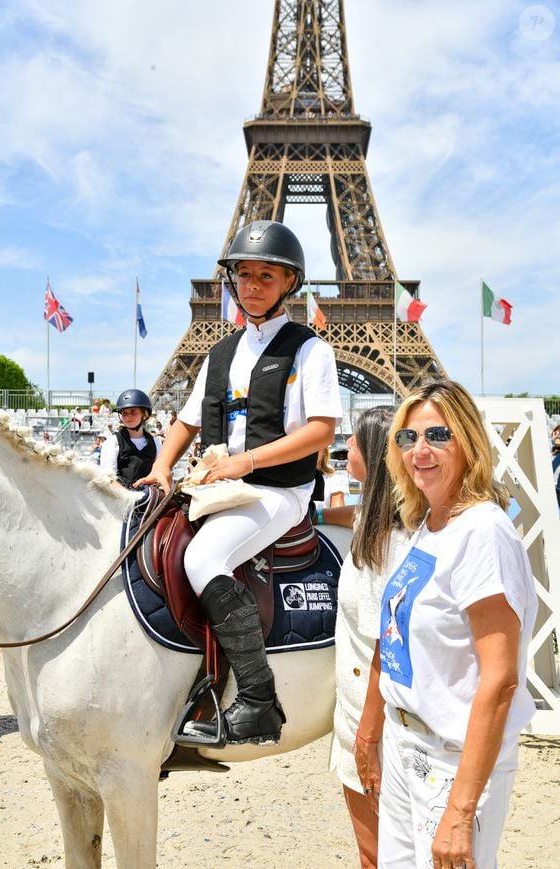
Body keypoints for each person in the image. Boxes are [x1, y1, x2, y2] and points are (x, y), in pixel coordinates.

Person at [136, 220, 342, 745]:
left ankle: (258, 699)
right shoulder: (220, 353)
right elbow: (186, 421)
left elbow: (321, 429)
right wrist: (161, 467)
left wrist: (245, 462)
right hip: (217, 486)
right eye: (244, 275)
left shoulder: (310, 350)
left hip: (278, 491)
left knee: (204, 558)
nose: (252, 285)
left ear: (289, 282)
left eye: (265, 276)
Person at [359, 379, 537, 869]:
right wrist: (373, 732)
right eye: (408, 438)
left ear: (469, 441)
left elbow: (500, 680)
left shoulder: (482, 532)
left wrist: (460, 811)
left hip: (451, 759)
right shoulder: (430, 523)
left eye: (438, 435)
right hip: (406, 745)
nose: (420, 450)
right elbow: (394, 636)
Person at [329, 408, 408, 869]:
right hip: (361, 710)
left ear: (375, 456)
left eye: (354, 443)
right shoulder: (375, 521)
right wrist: (315, 513)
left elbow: (386, 643)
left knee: (376, 854)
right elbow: (352, 514)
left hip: (372, 720)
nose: (347, 449)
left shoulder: (387, 542)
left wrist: (366, 736)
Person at [99, 389, 161, 487]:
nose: (128, 417)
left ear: (144, 415)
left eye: (133, 412)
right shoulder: (112, 442)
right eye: (124, 413)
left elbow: (159, 473)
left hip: (149, 493)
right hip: (120, 494)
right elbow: (108, 479)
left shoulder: (155, 442)